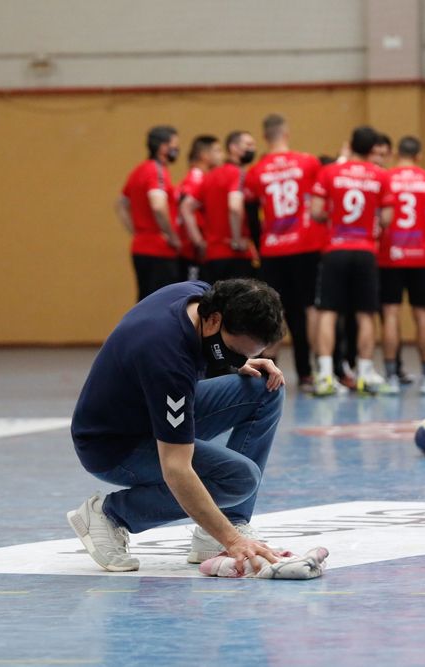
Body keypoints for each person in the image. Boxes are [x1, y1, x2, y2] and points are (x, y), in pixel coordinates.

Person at [67, 278, 287, 574]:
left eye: (247, 355)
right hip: (113, 446)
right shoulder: (168, 360)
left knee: (266, 388)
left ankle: (227, 521)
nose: (239, 361)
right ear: (214, 321)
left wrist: (236, 362)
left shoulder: (197, 296)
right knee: (238, 479)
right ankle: (110, 515)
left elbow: (202, 357)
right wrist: (233, 542)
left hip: (147, 410)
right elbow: (176, 468)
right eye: (235, 352)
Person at [243, 114, 324, 391]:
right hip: (306, 245)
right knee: (307, 310)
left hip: (273, 249)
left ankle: (267, 366)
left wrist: (260, 242)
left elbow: (251, 213)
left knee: (272, 309)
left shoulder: (257, 171)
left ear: (265, 136)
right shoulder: (308, 162)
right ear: (286, 133)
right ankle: (309, 371)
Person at [310, 126, 389, 396]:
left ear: (351, 144)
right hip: (366, 250)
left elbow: (316, 211)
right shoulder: (380, 175)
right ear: (372, 149)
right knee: (366, 313)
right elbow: (387, 218)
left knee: (328, 312)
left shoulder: (330, 172)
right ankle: (365, 373)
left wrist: (334, 217)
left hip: (336, 249)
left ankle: (324, 375)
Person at [377, 136, 425, 395]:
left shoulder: (387, 179)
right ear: (419, 155)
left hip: (389, 255)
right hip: (421, 256)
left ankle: (391, 378)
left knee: (391, 314)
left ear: (396, 154)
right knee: (423, 315)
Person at [115, 125, 184, 301]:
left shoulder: (138, 171)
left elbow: (121, 204)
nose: (177, 149)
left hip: (140, 247)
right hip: (159, 250)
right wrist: (171, 235)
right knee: (162, 303)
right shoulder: (157, 171)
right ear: (163, 147)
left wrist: (136, 231)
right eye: (175, 145)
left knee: (144, 301)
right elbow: (158, 206)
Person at [181, 131, 257, 284]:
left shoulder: (209, 176)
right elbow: (234, 207)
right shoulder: (239, 174)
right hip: (236, 255)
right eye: (248, 145)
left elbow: (186, 207)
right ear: (233, 148)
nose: (253, 149)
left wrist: (199, 241)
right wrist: (236, 240)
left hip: (213, 255)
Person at [177, 135, 225, 282]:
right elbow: (185, 209)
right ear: (204, 155)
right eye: (217, 150)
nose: (222, 155)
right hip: (192, 254)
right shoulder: (197, 178)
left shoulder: (200, 177)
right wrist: (199, 242)